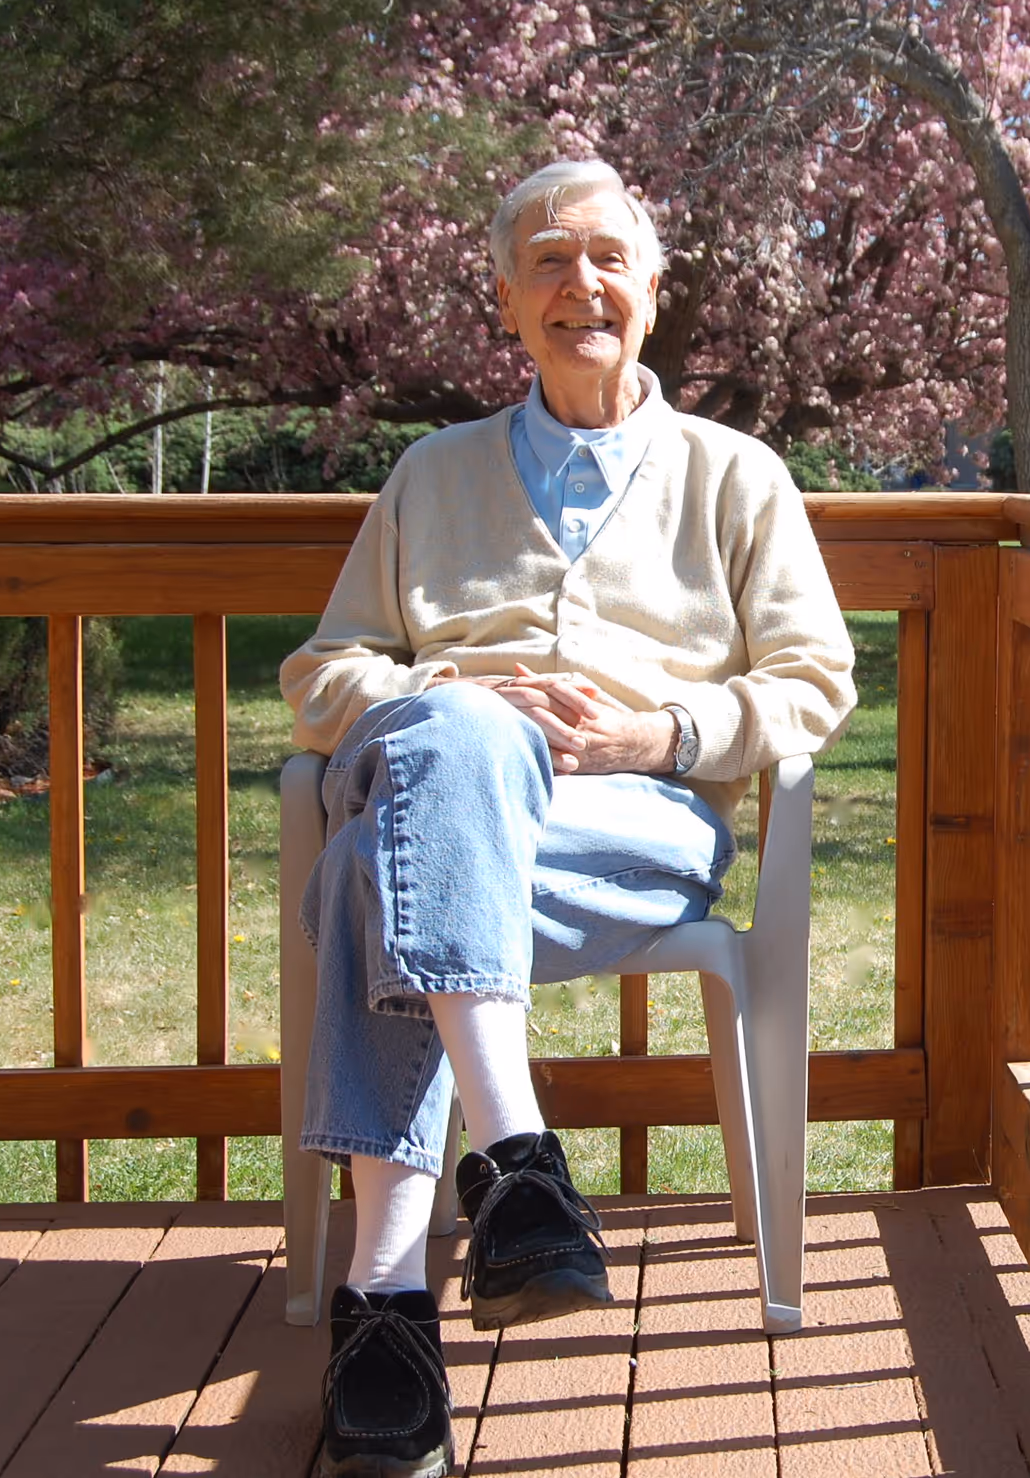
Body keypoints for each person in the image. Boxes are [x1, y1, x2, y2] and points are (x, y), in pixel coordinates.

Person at [280, 159, 856, 1478]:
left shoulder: (738, 477)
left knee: (377, 868)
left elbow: (814, 680)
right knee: (451, 753)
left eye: (606, 259)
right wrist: (458, 689)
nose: (578, 284)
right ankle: (508, 1177)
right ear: (505, 301)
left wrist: (661, 733)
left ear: (652, 294)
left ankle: (397, 1290)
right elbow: (325, 672)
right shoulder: (433, 475)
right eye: (546, 260)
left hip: (635, 827)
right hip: (454, 806)